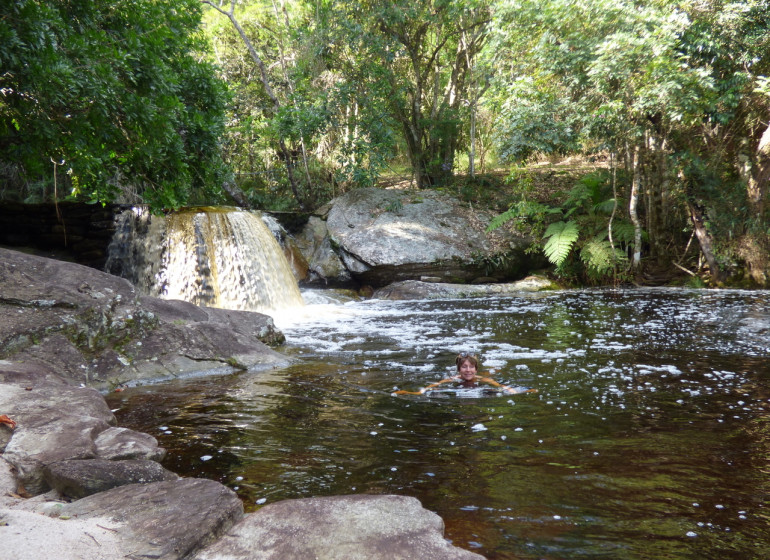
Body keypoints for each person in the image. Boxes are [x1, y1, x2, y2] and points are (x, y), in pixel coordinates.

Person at [392, 352, 537, 396]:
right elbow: (434, 385)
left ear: (476, 369)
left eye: (471, 367)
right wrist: (416, 392)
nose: (468, 370)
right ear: (459, 369)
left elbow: (500, 386)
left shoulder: (482, 378)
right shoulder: (453, 379)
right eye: (464, 367)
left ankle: (496, 368)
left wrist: (515, 391)